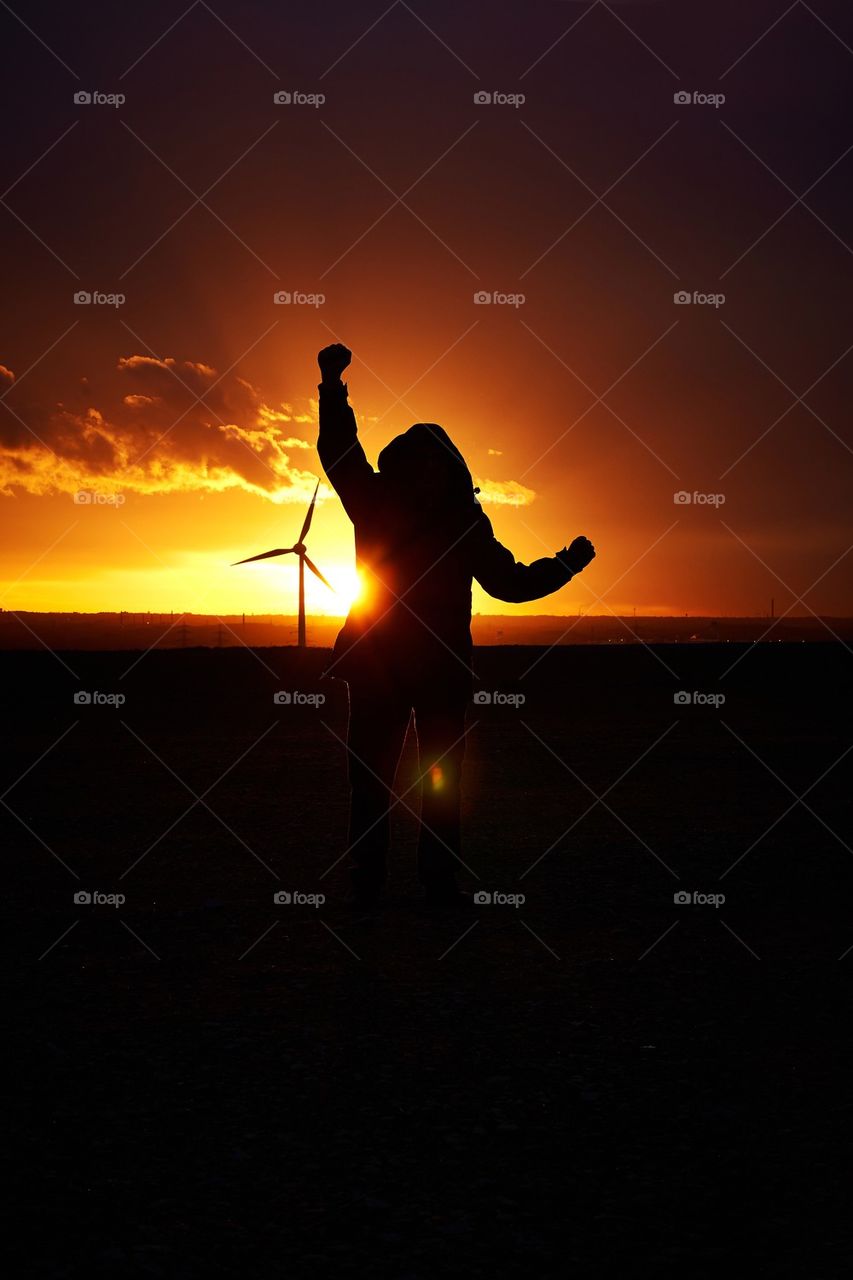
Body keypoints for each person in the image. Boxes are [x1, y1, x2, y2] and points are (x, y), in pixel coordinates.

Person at [316, 342, 596, 907]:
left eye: (432, 466)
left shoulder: (460, 523)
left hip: (436, 674)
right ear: (401, 468)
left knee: (439, 786)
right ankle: (371, 884)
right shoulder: (377, 503)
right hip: (381, 671)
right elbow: (339, 452)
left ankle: (435, 886)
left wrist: (564, 565)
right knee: (370, 784)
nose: (423, 476)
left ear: (449, 472)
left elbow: (510, 583)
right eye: (414, 465)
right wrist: (331, 385)